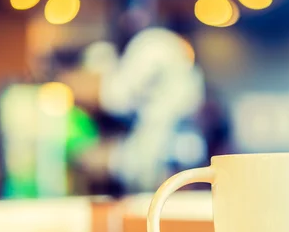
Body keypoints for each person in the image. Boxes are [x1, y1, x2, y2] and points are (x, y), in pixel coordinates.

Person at [58, 27, 205, 193]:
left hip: (170, 178)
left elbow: (147, 157)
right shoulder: (156, 51)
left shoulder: (151, 48)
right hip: (172, 173)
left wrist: (108, 160)